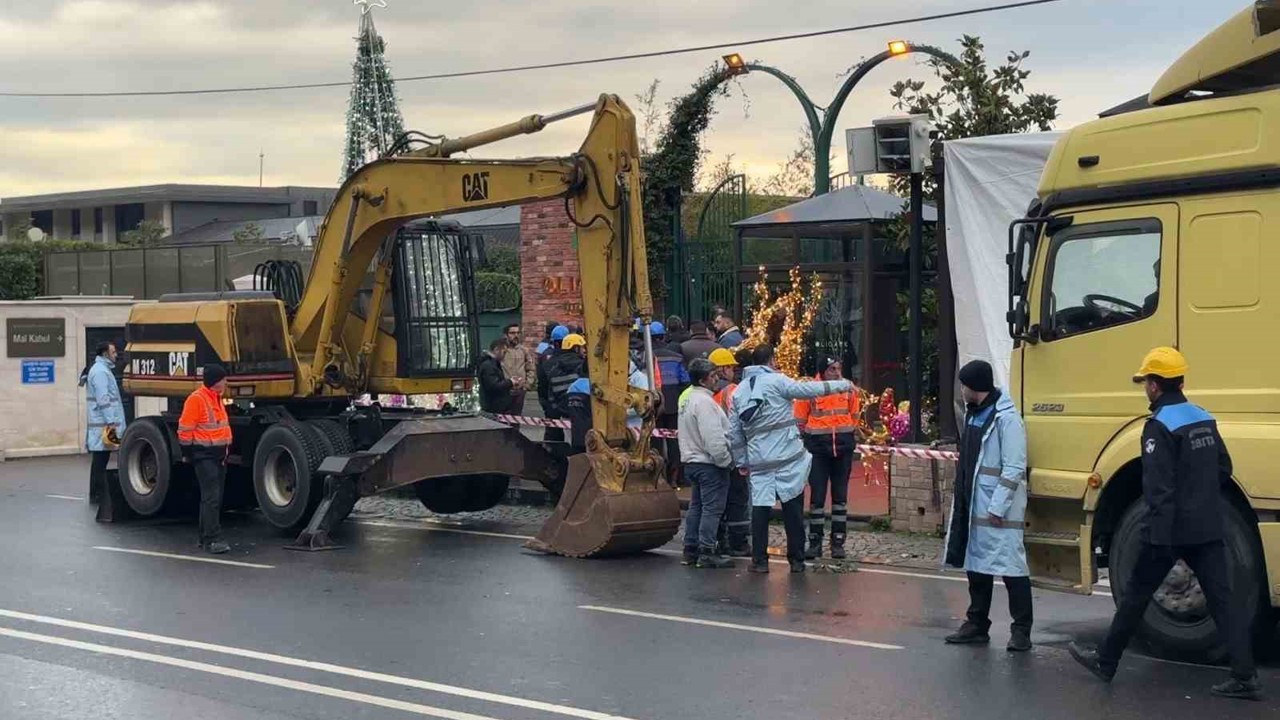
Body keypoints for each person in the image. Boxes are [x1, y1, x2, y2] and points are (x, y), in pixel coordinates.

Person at [1069, 348, 1260, 701]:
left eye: (1145, 382)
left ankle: (1106, 661)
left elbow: (1158, 488)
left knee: (1136, 595)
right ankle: (1244, 676)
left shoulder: (1158, 427)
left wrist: (1156, 533)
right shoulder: (1203, 418)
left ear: (1155, 386)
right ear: (1182, 382)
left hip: (1170, 531)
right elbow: (1223, 469)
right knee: (1223, 601)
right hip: (1208, 524)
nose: (1145, 388)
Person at [729, 345, 853, 573]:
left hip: (759, 459)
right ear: (771, 360)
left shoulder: (739, 391)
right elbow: (808, 390)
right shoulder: (778, 381)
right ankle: (796, 560)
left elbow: (734, 433)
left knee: (760, 508)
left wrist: (741, 461)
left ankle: (759, 561)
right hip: (787, 457)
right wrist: (843, 385)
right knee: (792, 508)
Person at [943, 360, 1032, 652]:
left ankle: (1021, 631)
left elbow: (1014, 466)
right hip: (975, 507)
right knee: (977, 567)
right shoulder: (975, 413)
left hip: (998, 512)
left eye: (964, 385)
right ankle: (977, 623)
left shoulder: (1006, 419)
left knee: (1012, 569)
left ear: (974, 387)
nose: (962, 390)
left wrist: (998, 506)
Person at [795, 356, 862, 561]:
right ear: (823, 371)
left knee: (840, 497)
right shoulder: (809, 391)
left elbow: (855, 415)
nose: (837, 372)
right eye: (832, 369)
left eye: (839, 368)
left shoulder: (848, 389)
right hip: (818, 450)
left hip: (842, 448)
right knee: (817, 497)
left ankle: (838, 542)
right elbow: (799, 420)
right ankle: (815, 542)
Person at [679, 358, 735, 569]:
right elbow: (714, 438)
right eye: (713, 376)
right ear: (703, 380)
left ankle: (690, 548)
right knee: (712, 509)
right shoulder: (705, 403)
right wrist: (726, 461)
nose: (717, 379)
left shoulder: (688, 399)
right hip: (709, 463)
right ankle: (707, 550)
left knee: (697, 506)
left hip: (692, 461)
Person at [178, 364, 233, 555]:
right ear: (215, 382)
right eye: (223, 379)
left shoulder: (216, 398)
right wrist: (188, 453)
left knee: (211, 498)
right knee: (212, 498)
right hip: (205, 456)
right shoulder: (197, 399)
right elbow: (185, 430)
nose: (226, 382)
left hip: (217, 456)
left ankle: (205, 537)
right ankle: (212, 539)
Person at [708, 348, 750, 557]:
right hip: (733, 452)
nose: (734, 371)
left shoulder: (701, 393)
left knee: (718, 500)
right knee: (738, 498)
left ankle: (718, 539)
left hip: (711, 452)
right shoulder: (733, 390)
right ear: (723, 369)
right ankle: (738, 541)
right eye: (731, 367)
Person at [84, 341, 126, 505]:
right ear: (105, 354)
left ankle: (96, 493)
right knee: (101, 461)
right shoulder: (101, 372)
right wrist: (112, 424)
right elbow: (104, 400)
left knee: (100, 460)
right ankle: (98, 494)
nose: (116, 355)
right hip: (104, 426)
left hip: (102, 425)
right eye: (114, 352)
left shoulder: (101, 370)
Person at [536, 325, 572, 417]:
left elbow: (541, 377)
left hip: (548, 398)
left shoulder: (546, 353)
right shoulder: (570, 357)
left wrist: (543, 399)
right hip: (564, 399)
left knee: (552, 427)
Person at [499, 323, 535, 414]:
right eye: (512, 333)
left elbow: (531, 368)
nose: (516, 335)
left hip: (519, 391)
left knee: (516, 418)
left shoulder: (523, 350)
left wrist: (527, 385)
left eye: (518, 333)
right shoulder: (501, 350)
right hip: (504, 390)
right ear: (506, 335)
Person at [477, 338, 515, 413]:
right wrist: (510, 382)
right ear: (496, 350)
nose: (505, 355)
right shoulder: (488, 366)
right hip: (493, 406)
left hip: (498, 406)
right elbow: (493, 385)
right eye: (504, 352)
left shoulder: (493, 364)